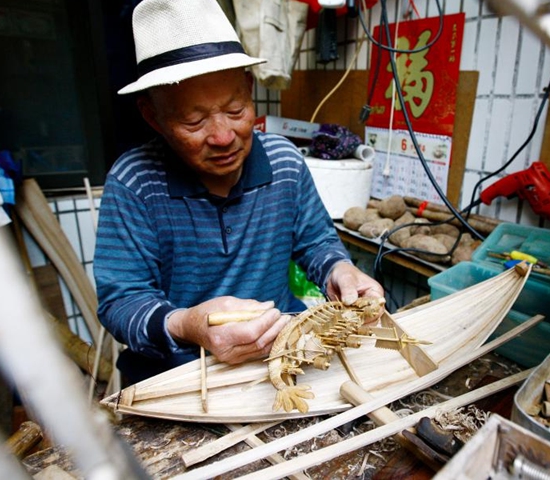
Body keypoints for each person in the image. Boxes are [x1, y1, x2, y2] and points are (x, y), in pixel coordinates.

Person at [94, 0, 383, 385]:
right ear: (152, 116)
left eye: (235, 110)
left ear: (249, 88)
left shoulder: (284, 162)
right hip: (180, 373)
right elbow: (121, 303)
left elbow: (316, 243)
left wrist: (339, 270)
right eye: (193, 120)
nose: (223, 136)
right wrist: (187, 325)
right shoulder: (134, 182)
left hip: (281, 357)